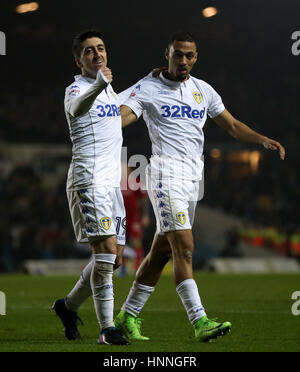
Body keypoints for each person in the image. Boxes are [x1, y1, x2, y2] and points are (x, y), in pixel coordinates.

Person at [113, 31, 285, 342]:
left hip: (194, 179)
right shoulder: (149, 87)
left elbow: (231, 125)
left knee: (162, 252)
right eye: (177, 54)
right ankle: (200, 321)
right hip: (165, 176)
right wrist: (106, 122)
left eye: (189, 55)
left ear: (196, 58)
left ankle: (127, 315)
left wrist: (261, 139)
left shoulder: (202, 91)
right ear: (167, 54)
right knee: (186, 248)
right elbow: (124, 114)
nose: (183, 61)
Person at [52, 30, 129, 346]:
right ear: (78, 59)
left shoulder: (111, 93)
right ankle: (107, 330)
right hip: (88, 180)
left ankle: (67, 307)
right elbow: (77, 109)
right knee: (106, 253)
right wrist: (99, 84)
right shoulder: (76, 89)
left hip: (112, 183)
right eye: (89, 51)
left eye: (101, 48)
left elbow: (124, 112)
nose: (97, 54)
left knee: (116, 258)